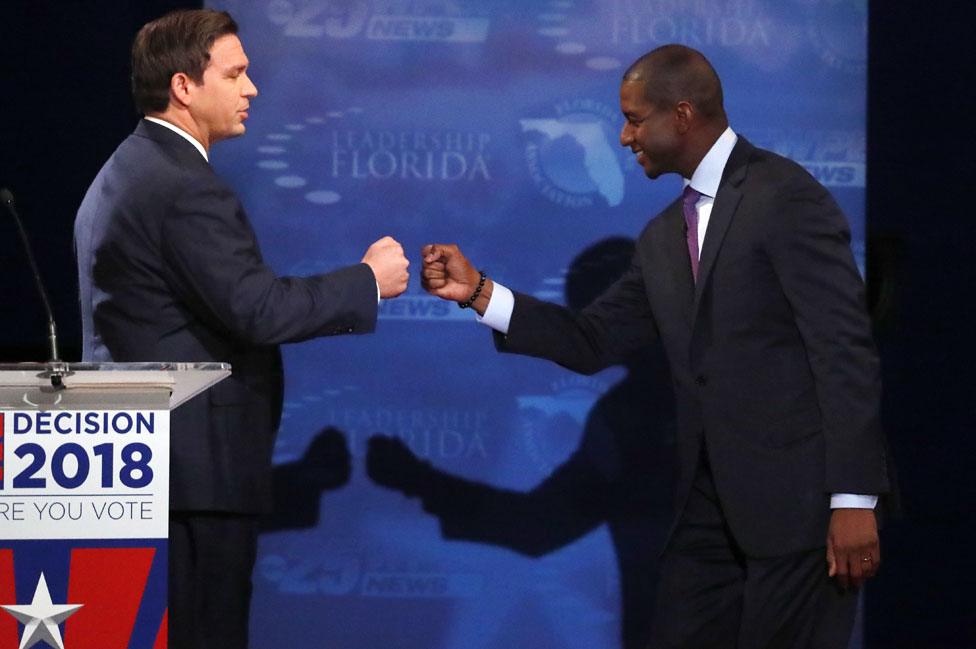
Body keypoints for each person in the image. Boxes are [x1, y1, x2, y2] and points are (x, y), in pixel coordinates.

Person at [421, 44, 890, 648]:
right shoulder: (664, 237)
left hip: (803, 516)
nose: (622, 136)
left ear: (684, 115)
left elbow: (844, 349)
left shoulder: (784, 198)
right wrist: (479, 293)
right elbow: (590, 340)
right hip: (704, 517)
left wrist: (853, 499)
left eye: (635, 119)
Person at [73, 9, 408, 649]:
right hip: (193, 477)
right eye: (237, 73)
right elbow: (258, 310)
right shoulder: (181, 186)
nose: (252, 88)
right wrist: (365, 280)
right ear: (183, 86)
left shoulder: (128, 169)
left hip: (148, 468)